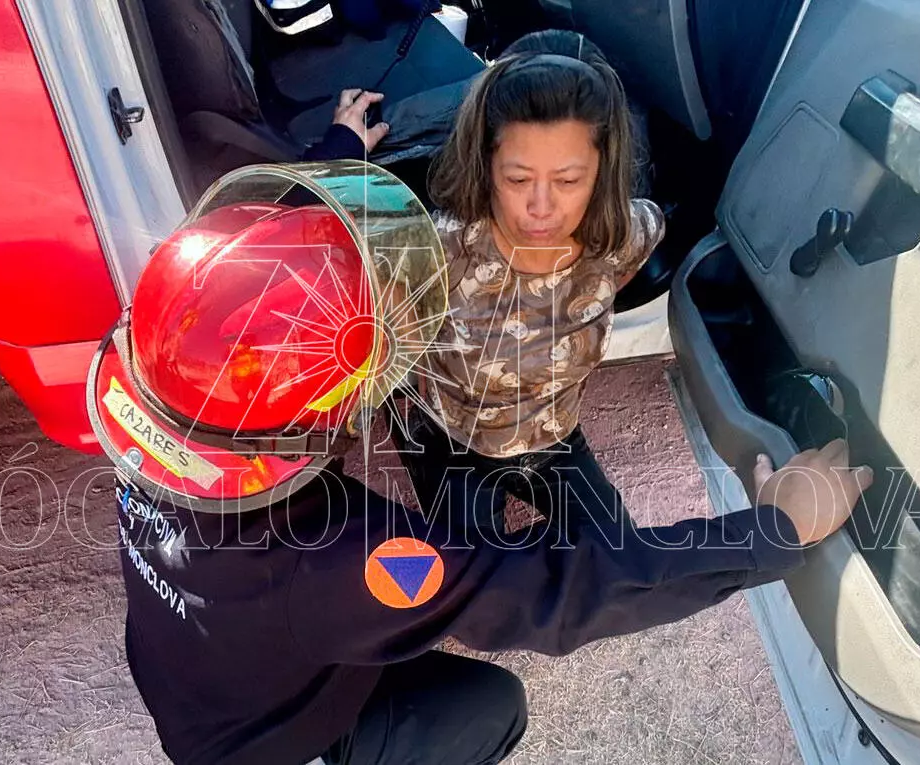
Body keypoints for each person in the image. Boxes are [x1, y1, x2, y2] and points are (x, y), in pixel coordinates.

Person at [85, 90, 874, 765]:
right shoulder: (340, 566)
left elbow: (254, 266)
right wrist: (770, 531)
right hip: (261, 742)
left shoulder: (159, 386)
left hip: (195, 670)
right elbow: (561, 592)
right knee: (490, 706)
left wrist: (339, 149)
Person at [387, 31, 665, 533]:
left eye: (568, 180)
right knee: (474, 577)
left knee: (621, 556)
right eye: (517, 179)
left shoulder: (625, 234)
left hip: (554, 438)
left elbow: (622, 268)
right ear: (485, 165)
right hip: (453, 442)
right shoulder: (438, 249)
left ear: (602, 172)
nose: (541, 208)